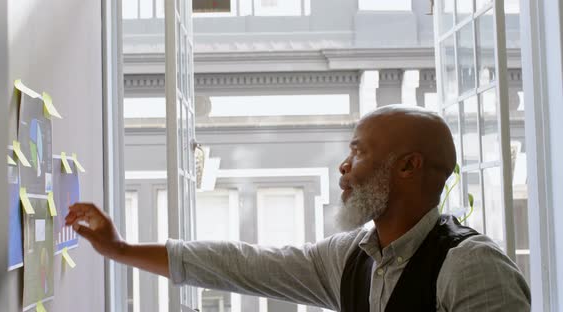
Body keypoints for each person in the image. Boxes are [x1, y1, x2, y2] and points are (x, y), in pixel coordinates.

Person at [66, 105, 531, 311]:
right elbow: (242, 264)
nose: (343, 168)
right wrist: (120, 248)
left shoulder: (472, 267)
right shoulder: (350, 258)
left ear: (408, 166)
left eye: (359, 152)